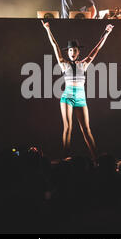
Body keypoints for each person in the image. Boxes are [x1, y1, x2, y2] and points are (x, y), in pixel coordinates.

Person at [41, 20, 114, 162]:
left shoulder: (84, 64)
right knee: (67, 128)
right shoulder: (63, 64)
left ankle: (96, 160)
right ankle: (65, 159)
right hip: (67, 97)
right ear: (67, 52)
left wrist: (106, 33)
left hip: (81, 98)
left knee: (86, 130)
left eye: (74, 50)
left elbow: (97, 48)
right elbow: (55, 45)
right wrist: (48, 29)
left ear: (78, 52)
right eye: (70, 50)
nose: (72, 52)